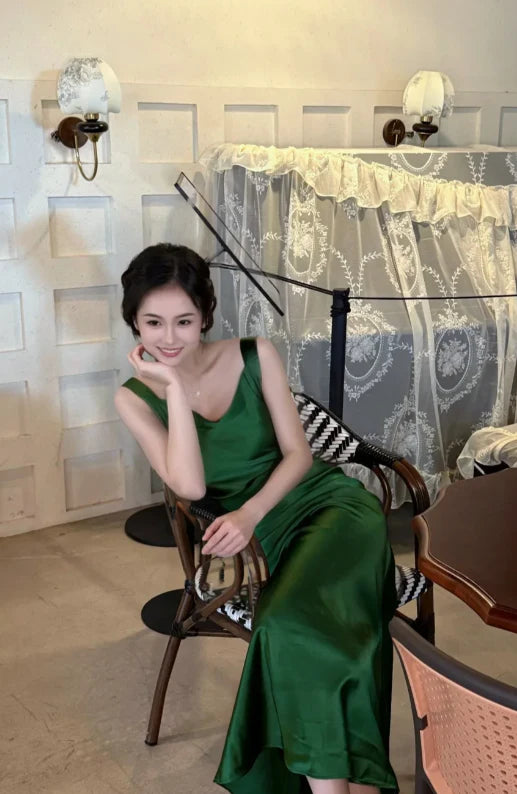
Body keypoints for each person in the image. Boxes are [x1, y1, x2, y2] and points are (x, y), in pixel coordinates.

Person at [115, 243, 399, 794]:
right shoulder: (133, 399)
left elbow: (299, 455)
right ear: (134, 323)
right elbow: (190, 486)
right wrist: (173, 389)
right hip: (260, 539)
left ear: (205, 316)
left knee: (291, 625)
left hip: (330, 509)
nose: (169, 337)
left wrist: (248, 511)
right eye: (153, 323)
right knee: (301, 630)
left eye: (184, 321)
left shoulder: (254, 354)